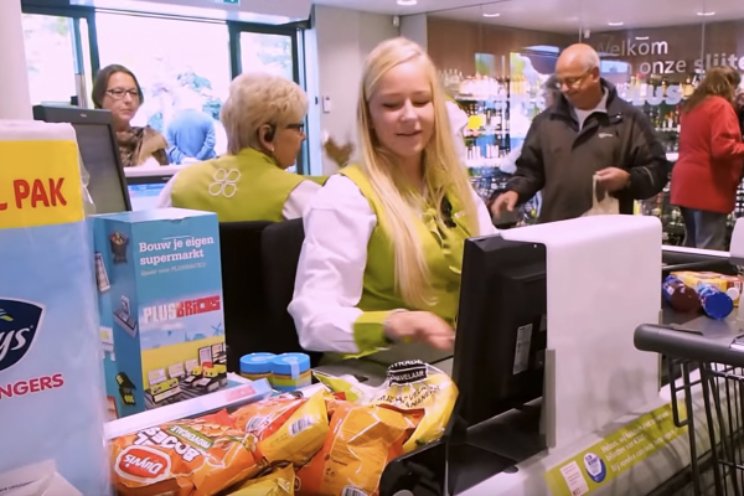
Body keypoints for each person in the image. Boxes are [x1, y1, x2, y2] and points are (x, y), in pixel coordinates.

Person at [288, 37, 496, 356]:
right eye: (391, 105)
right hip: (379, 384)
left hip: (457, 367)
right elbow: (313, 319)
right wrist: (396, 324)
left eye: (422, 101)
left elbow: (497, 267)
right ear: (369, 115)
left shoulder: (456, 188)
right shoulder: (347, 195)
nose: (410, 116)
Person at [490, 44, 669, 223]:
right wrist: (514, 191)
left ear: (595, 74)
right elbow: (529, 172)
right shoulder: (545, 122)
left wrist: (628, 180)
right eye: (561, 82)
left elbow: (658, 172)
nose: (565, 89)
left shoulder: (630, 120)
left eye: (572, 80)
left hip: (607, 237)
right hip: (556, 234)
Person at [157, 73, 319, 221]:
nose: (303, 136)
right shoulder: (299, 195)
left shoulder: (179, 184)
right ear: (266, 136)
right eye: (298, 127)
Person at [670, 67, 744, 250]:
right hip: (709, 185)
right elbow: (722, 148)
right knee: (709, 248)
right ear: (729, 85)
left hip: (685, 183)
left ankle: (685, 279)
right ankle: (705, 281)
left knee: (692, 245)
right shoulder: (720, 106)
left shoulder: (692, 106)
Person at [92, 64, 169, 167]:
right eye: (118, 92)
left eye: (133, 93)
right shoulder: (88, 142)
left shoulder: (151, 140)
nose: (129, 100)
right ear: (100, 98)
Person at [166, 88, 218, 164]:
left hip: (181, 170)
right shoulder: (207, 119)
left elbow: (169, 147)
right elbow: (210, 143)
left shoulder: (171, 123)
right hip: (206, 166)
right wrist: (198, 159)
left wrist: (183, 159)